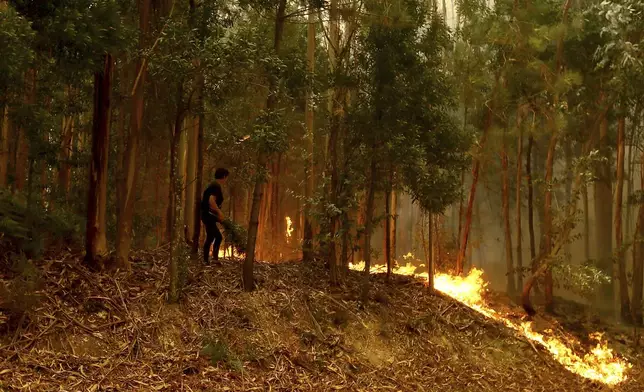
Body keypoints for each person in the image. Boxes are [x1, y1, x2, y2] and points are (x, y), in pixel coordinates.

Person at [201, 168, 229, 265]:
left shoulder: (213, 185)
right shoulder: (215, 186)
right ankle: (211, 259)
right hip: (208, 215)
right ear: (224, 176)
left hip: (208, 215)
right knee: (217, 237)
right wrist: (219, 213)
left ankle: (208, 259)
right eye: (226, 177)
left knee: (212, 236)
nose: (226, 180)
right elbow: (211, 201)